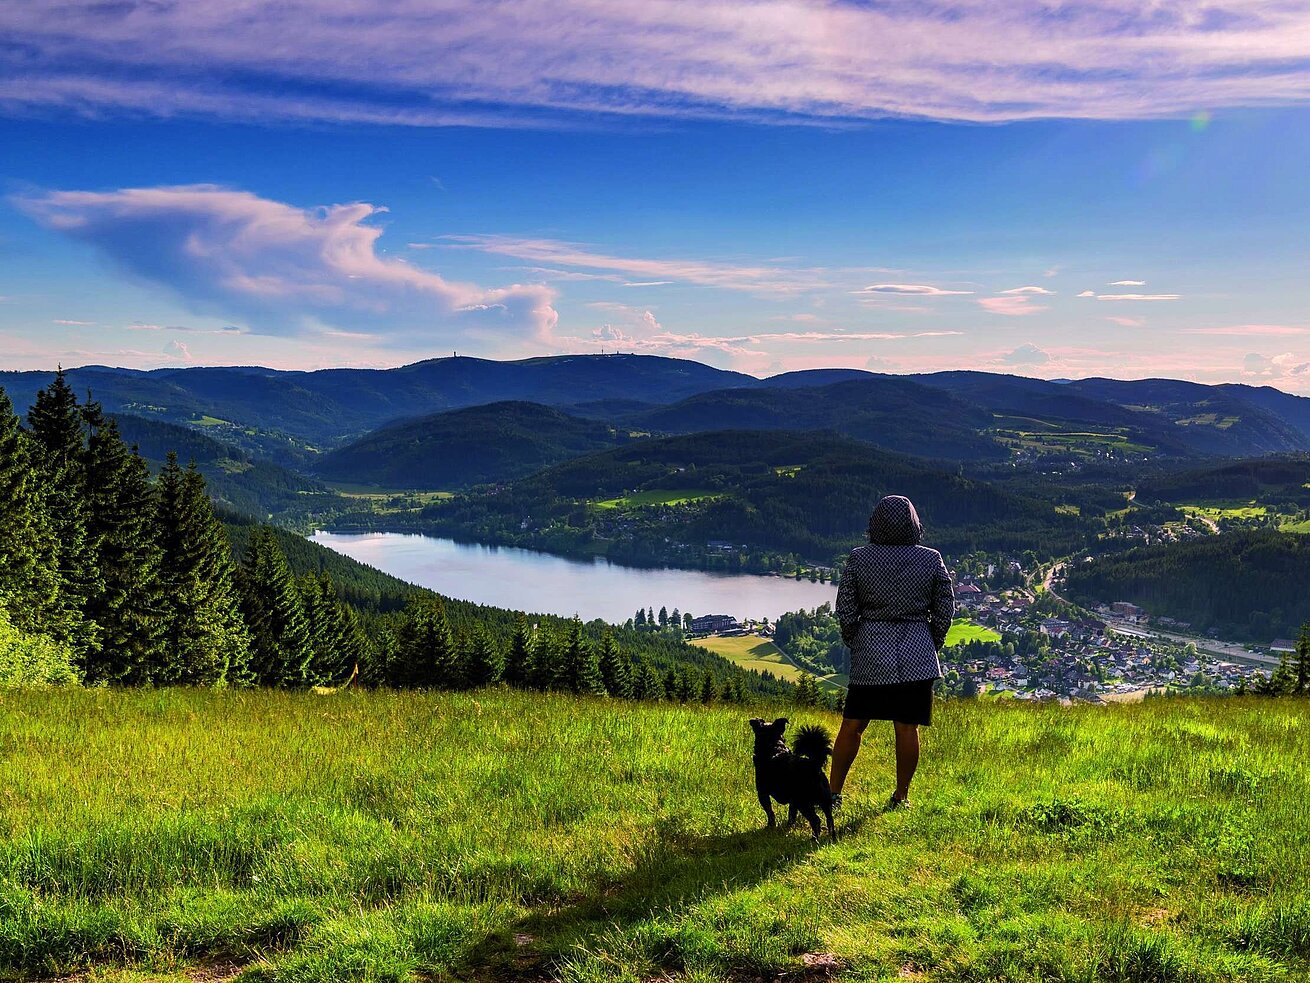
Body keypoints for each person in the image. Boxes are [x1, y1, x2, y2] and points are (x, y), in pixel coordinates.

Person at [829, 495, 953, 809]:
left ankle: (832, 794)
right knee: (907, 726)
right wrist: (930, 643)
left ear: (875, 523)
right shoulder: (931, 559)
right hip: (917, 653)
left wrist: (856, 640)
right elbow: (944, 609)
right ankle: (901, 797)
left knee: (852, 724)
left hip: (871, 650)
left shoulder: (859, 558)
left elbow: (845, 609)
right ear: (914, 523)